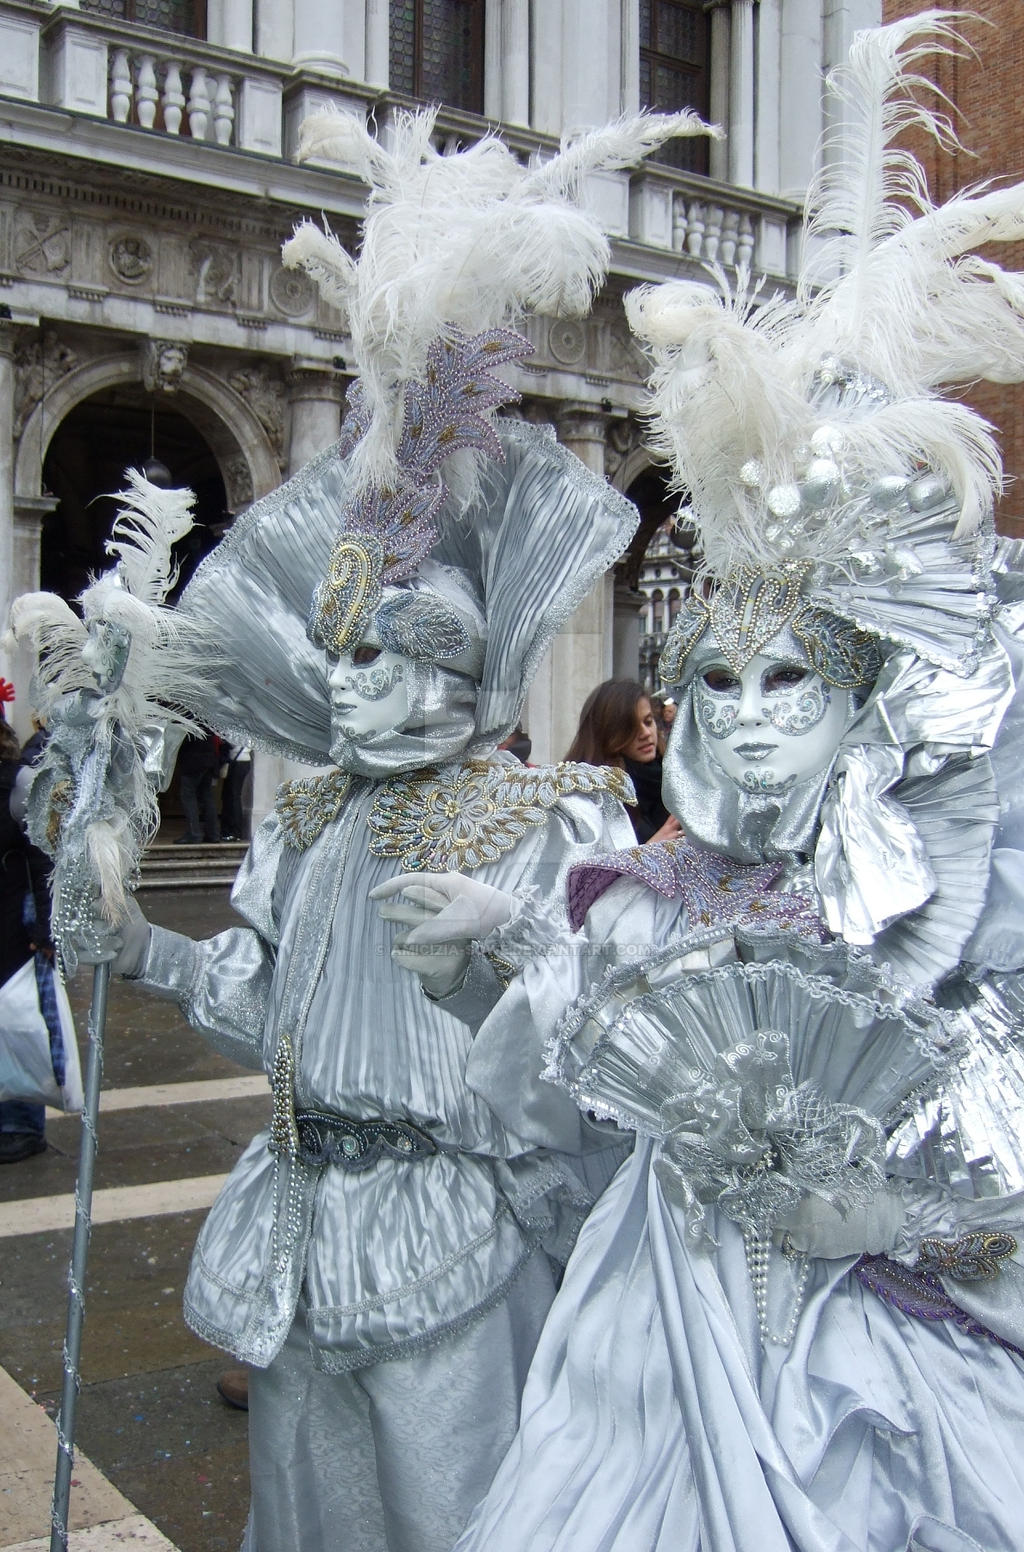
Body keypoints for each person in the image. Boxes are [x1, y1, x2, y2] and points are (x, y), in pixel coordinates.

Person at [378, 18, 1024, 1549]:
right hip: (647, 1346)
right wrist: (491, 963)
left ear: (865, 705)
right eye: (715, 684)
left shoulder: (961, 884)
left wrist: (915, 1218)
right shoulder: (655, 892)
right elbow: (569, 1111)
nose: (741, 724)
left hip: (894, 1378)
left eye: (789, 682)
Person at [47, 102, 706, 1552]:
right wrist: (143, 943)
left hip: (449, 1236)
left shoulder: (548, 819)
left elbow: (611, 1051)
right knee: (302, 1516)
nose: (372, 692)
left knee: (450, 1517)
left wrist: (506, 954)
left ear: (477, 668)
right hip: (298, 1222)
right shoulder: (312, 824)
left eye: (414, 656)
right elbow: (261, 1004)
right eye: (350, 657)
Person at [0, 718, 53, 1162]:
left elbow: (43, 856)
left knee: (18, 1018)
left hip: (13, 917)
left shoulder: (20, 782)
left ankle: (21, 1123)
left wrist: (45, 928)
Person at [565, 677, 679, 843]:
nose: (646, 733)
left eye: (648, 721)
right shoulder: (593, 795)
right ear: (608, 734)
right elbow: (587, 866)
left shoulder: (674, 779)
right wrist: (650, 849)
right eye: (631, 728)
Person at [175, 729, 220, 844]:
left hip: (193, 761)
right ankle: (213, 834)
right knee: (207, 797)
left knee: (188, 796)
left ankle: (194, 833)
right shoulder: (207, 717)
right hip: (208, 760)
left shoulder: (190, 717)